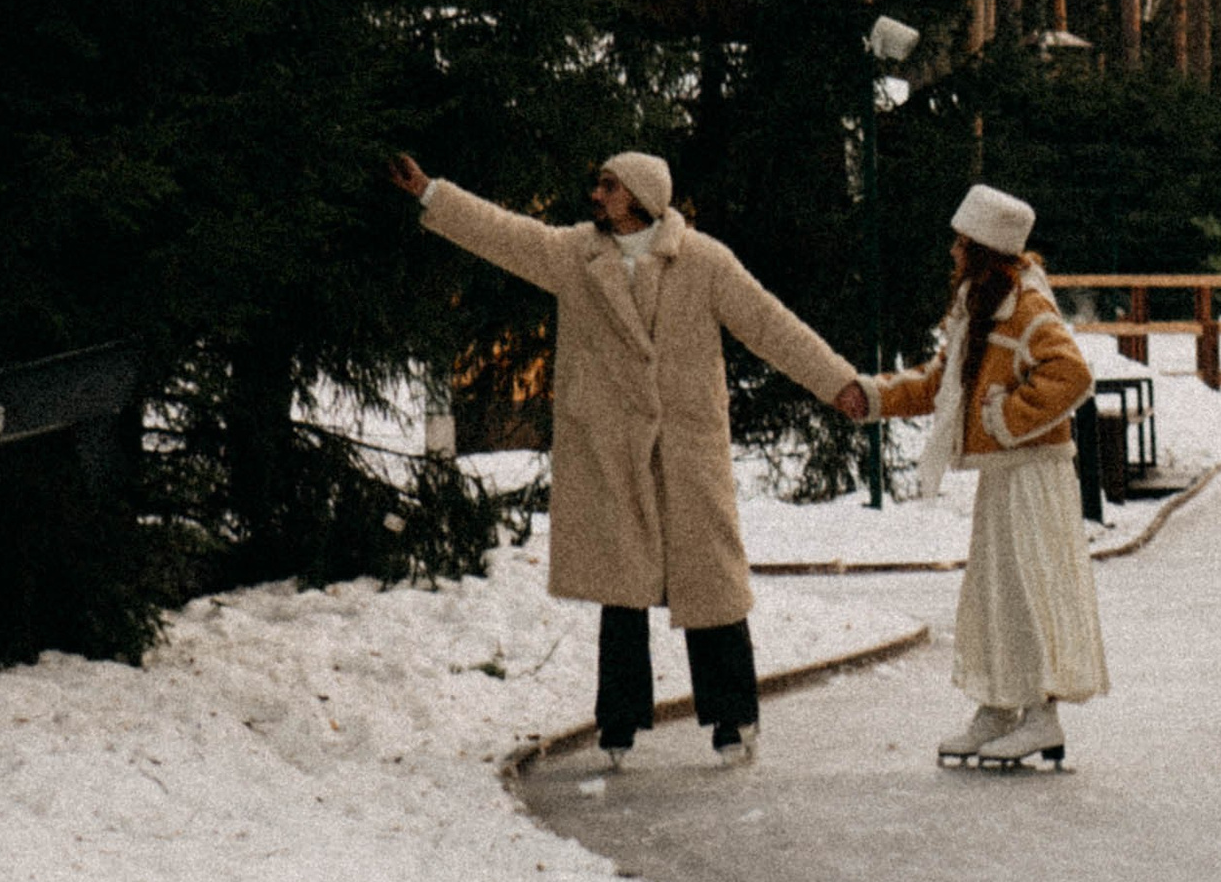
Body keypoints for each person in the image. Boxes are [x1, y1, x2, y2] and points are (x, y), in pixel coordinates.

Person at [391, 148, 857, 767]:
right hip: (610, 446)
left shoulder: (704, 262)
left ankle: (733, 719)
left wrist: (842, 384)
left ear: (640, 196)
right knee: (622, 587)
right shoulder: (575, 257)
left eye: (608, 187)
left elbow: (771, 326)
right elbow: (501, 233)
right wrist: (431, 193)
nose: (597, 196)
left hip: (687, 446)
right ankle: (618, 725)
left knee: (712, 584)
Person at [837, 182, 1106, 769]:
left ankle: (1041, 713)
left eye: (961, 244)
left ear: (984, 249)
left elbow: (1073, 375)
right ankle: (1000, 704)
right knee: (995, 593)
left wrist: (1005, 419)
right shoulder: (976, 313)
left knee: (1031, 590)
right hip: (1004, 476)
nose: (952, 254)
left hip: (1034, 477)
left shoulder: (1029, 310)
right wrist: (875, 396)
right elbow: (939, 385)